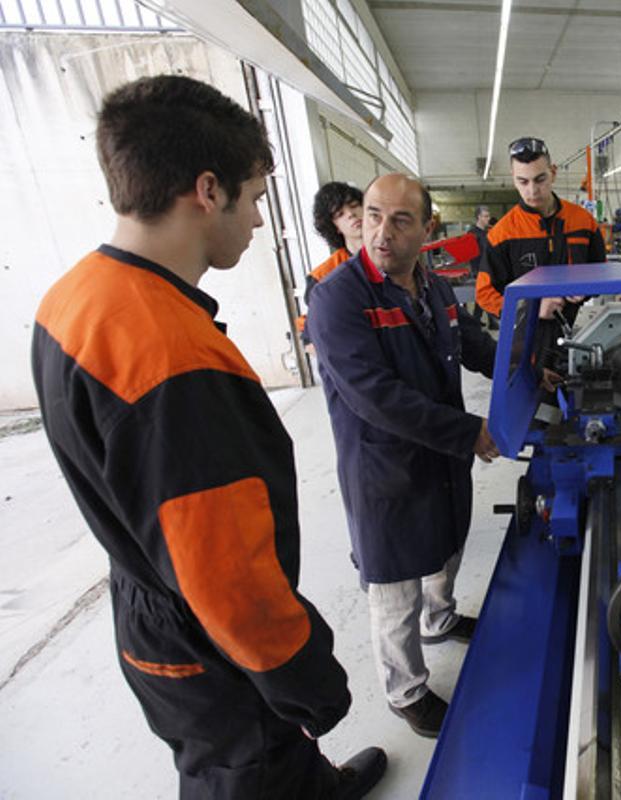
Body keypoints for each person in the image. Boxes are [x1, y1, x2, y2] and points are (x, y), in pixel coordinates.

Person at [30, 75, 385, 799]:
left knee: (255, 759)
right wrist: (310, 684)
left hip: (148, 613)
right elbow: (230, 582)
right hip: (210, 649)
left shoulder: (75, 296)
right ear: (207, 189)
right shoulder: (173, 359)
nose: (259, 221)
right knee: (247, 768)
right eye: (255, 197)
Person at [305, 173, 499, 740]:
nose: (381, 233)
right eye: (371, 216)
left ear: (427, 229)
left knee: (446, 549)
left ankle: (442, 619)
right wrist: (471, 432)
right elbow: (379, 399)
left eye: (400, 220)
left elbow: (468, 341)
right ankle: (406, 691)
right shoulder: (338, 298)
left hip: (438, 458)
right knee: (394, 591)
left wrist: (523, 365)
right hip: (383, 469)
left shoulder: (433, 287)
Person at [474, 136, 606, 327]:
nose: (532, 190)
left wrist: (585, 288)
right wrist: (530, 309)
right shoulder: (502, 234)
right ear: (513, 178)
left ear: (553, 173)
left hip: (580, 328)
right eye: (523, 182)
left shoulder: (583, 221)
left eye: (540, 179)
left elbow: (601, 273)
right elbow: (485, 293)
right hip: (527, 336)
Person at [299, 182, 363, 339]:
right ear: (334, 227)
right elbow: (312, 336)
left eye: (354, 205)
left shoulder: (395, 257)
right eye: (340, 214)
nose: (350, 214)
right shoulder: (322, 278)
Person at [466, 205, 493, 326]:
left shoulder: (487, 233)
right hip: (479, 270)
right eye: (485, 216)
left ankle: (477, 320)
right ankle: (478, 320)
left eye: (488, 216)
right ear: (478, 217)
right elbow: (471, 255)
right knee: (484, 295)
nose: (488, 218)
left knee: (485, 296)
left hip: (487, 268)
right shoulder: (472, 234)